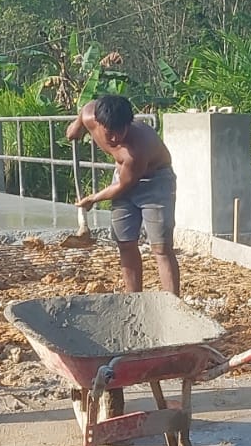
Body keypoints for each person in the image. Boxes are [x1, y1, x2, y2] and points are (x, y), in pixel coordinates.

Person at [67, 95, 180, 296]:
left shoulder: (136, 150)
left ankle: (172, 304)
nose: (114, 139)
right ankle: (133, 298)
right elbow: (86, 109)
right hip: (122, 176)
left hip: (155, 183)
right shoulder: (89, 116)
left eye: (120, 132)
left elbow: (122, 187)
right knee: (125, 242)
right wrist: (76, 127)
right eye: (109, 132)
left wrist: (93, 198)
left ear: (128, 124)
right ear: (98, 122)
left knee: (161, 247)